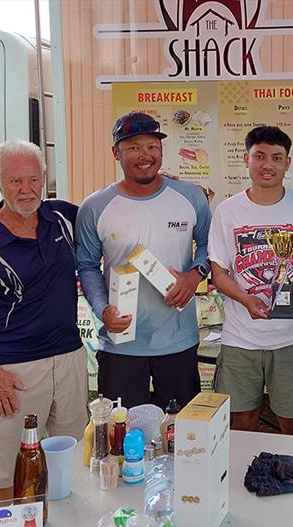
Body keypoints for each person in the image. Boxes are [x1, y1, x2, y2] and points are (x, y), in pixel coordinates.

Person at [0, 140, 88, 502]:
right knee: (8, 470)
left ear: (44, 178)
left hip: (70, 359)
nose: (26, 190)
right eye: (15, 182)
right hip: (15, 370)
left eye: (33, 179)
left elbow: (112, 210)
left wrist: (158, 184)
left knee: (72, 464)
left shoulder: (61, 217)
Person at [76, 112, 211, 409]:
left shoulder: (191, 197)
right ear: (116, 153)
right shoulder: (95, 207)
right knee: (121, 437)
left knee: (180, 435)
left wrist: (195, 274)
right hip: (121, 343)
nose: (145, 155)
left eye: (152, 146)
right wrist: (102, 310)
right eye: (133, 147)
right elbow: (86, 265)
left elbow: (208, 245)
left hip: (178, 341)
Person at [207, 125, 293, 435]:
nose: (267, 165)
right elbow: (219, 273)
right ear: (246, 160)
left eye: (277, 157)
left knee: (292, 421)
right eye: (259, 156)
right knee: (242, 421)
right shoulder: (227, 211)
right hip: (240, 338)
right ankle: (241, 481)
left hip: (290, 337)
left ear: (288, 163)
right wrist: (246, 299)